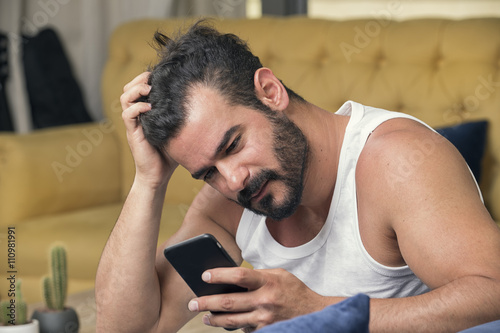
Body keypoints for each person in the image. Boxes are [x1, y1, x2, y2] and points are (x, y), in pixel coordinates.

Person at [95, 21, 500, 333]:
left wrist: (321, 312)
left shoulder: (396, 161)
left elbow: (493, 290)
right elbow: (131, 327)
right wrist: (148, 182)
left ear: (270, 91)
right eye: (207, 173)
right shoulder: (229, 203)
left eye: (233, 145)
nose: (233, 181)